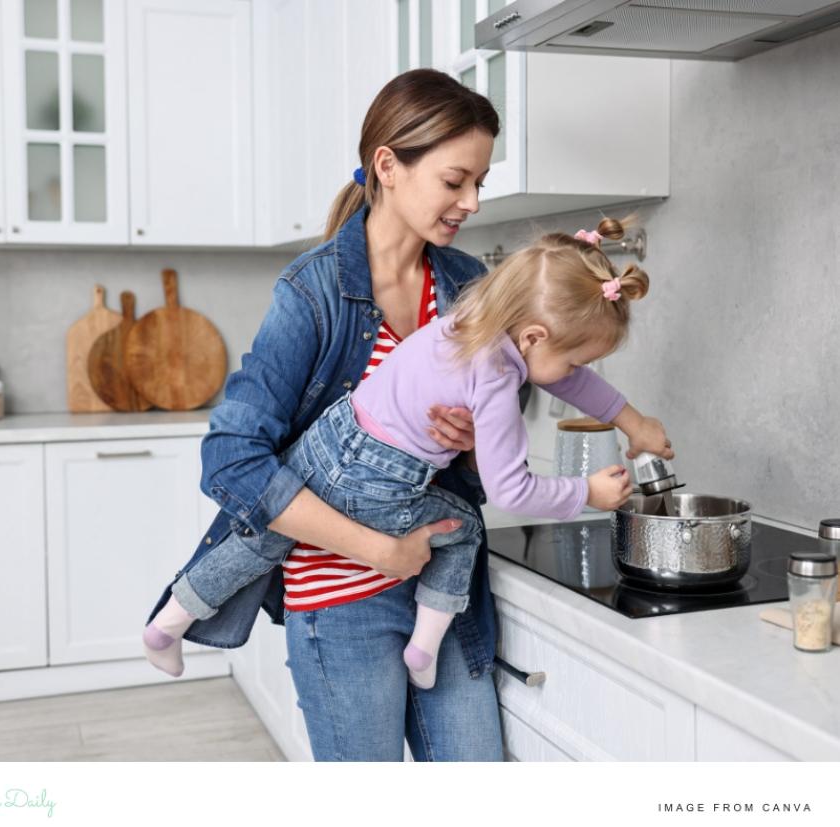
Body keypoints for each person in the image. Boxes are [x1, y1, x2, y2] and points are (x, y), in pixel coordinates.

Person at [144, 69, 673, 761]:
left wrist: (469, 449)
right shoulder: (314, 292)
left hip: (441, 591)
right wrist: (381, 550)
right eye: (456, 181)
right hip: (339, 598)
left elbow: (500, 437)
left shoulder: (468, 288)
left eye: (479, 181)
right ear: (388, 165)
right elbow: (233, 460)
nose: (472, 201)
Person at [144, 213, 665, 689]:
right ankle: (425, 647)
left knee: (265, 536)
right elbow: (512, 488)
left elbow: (565, 382)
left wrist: (632, 421)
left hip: (332, 434)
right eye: (577, 361)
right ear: (532, 336)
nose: (575, 376)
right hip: (377, 478)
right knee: (461, 530)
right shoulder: (498, 379)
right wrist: (586, 493)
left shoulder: (469, 320)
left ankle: (170, 623)